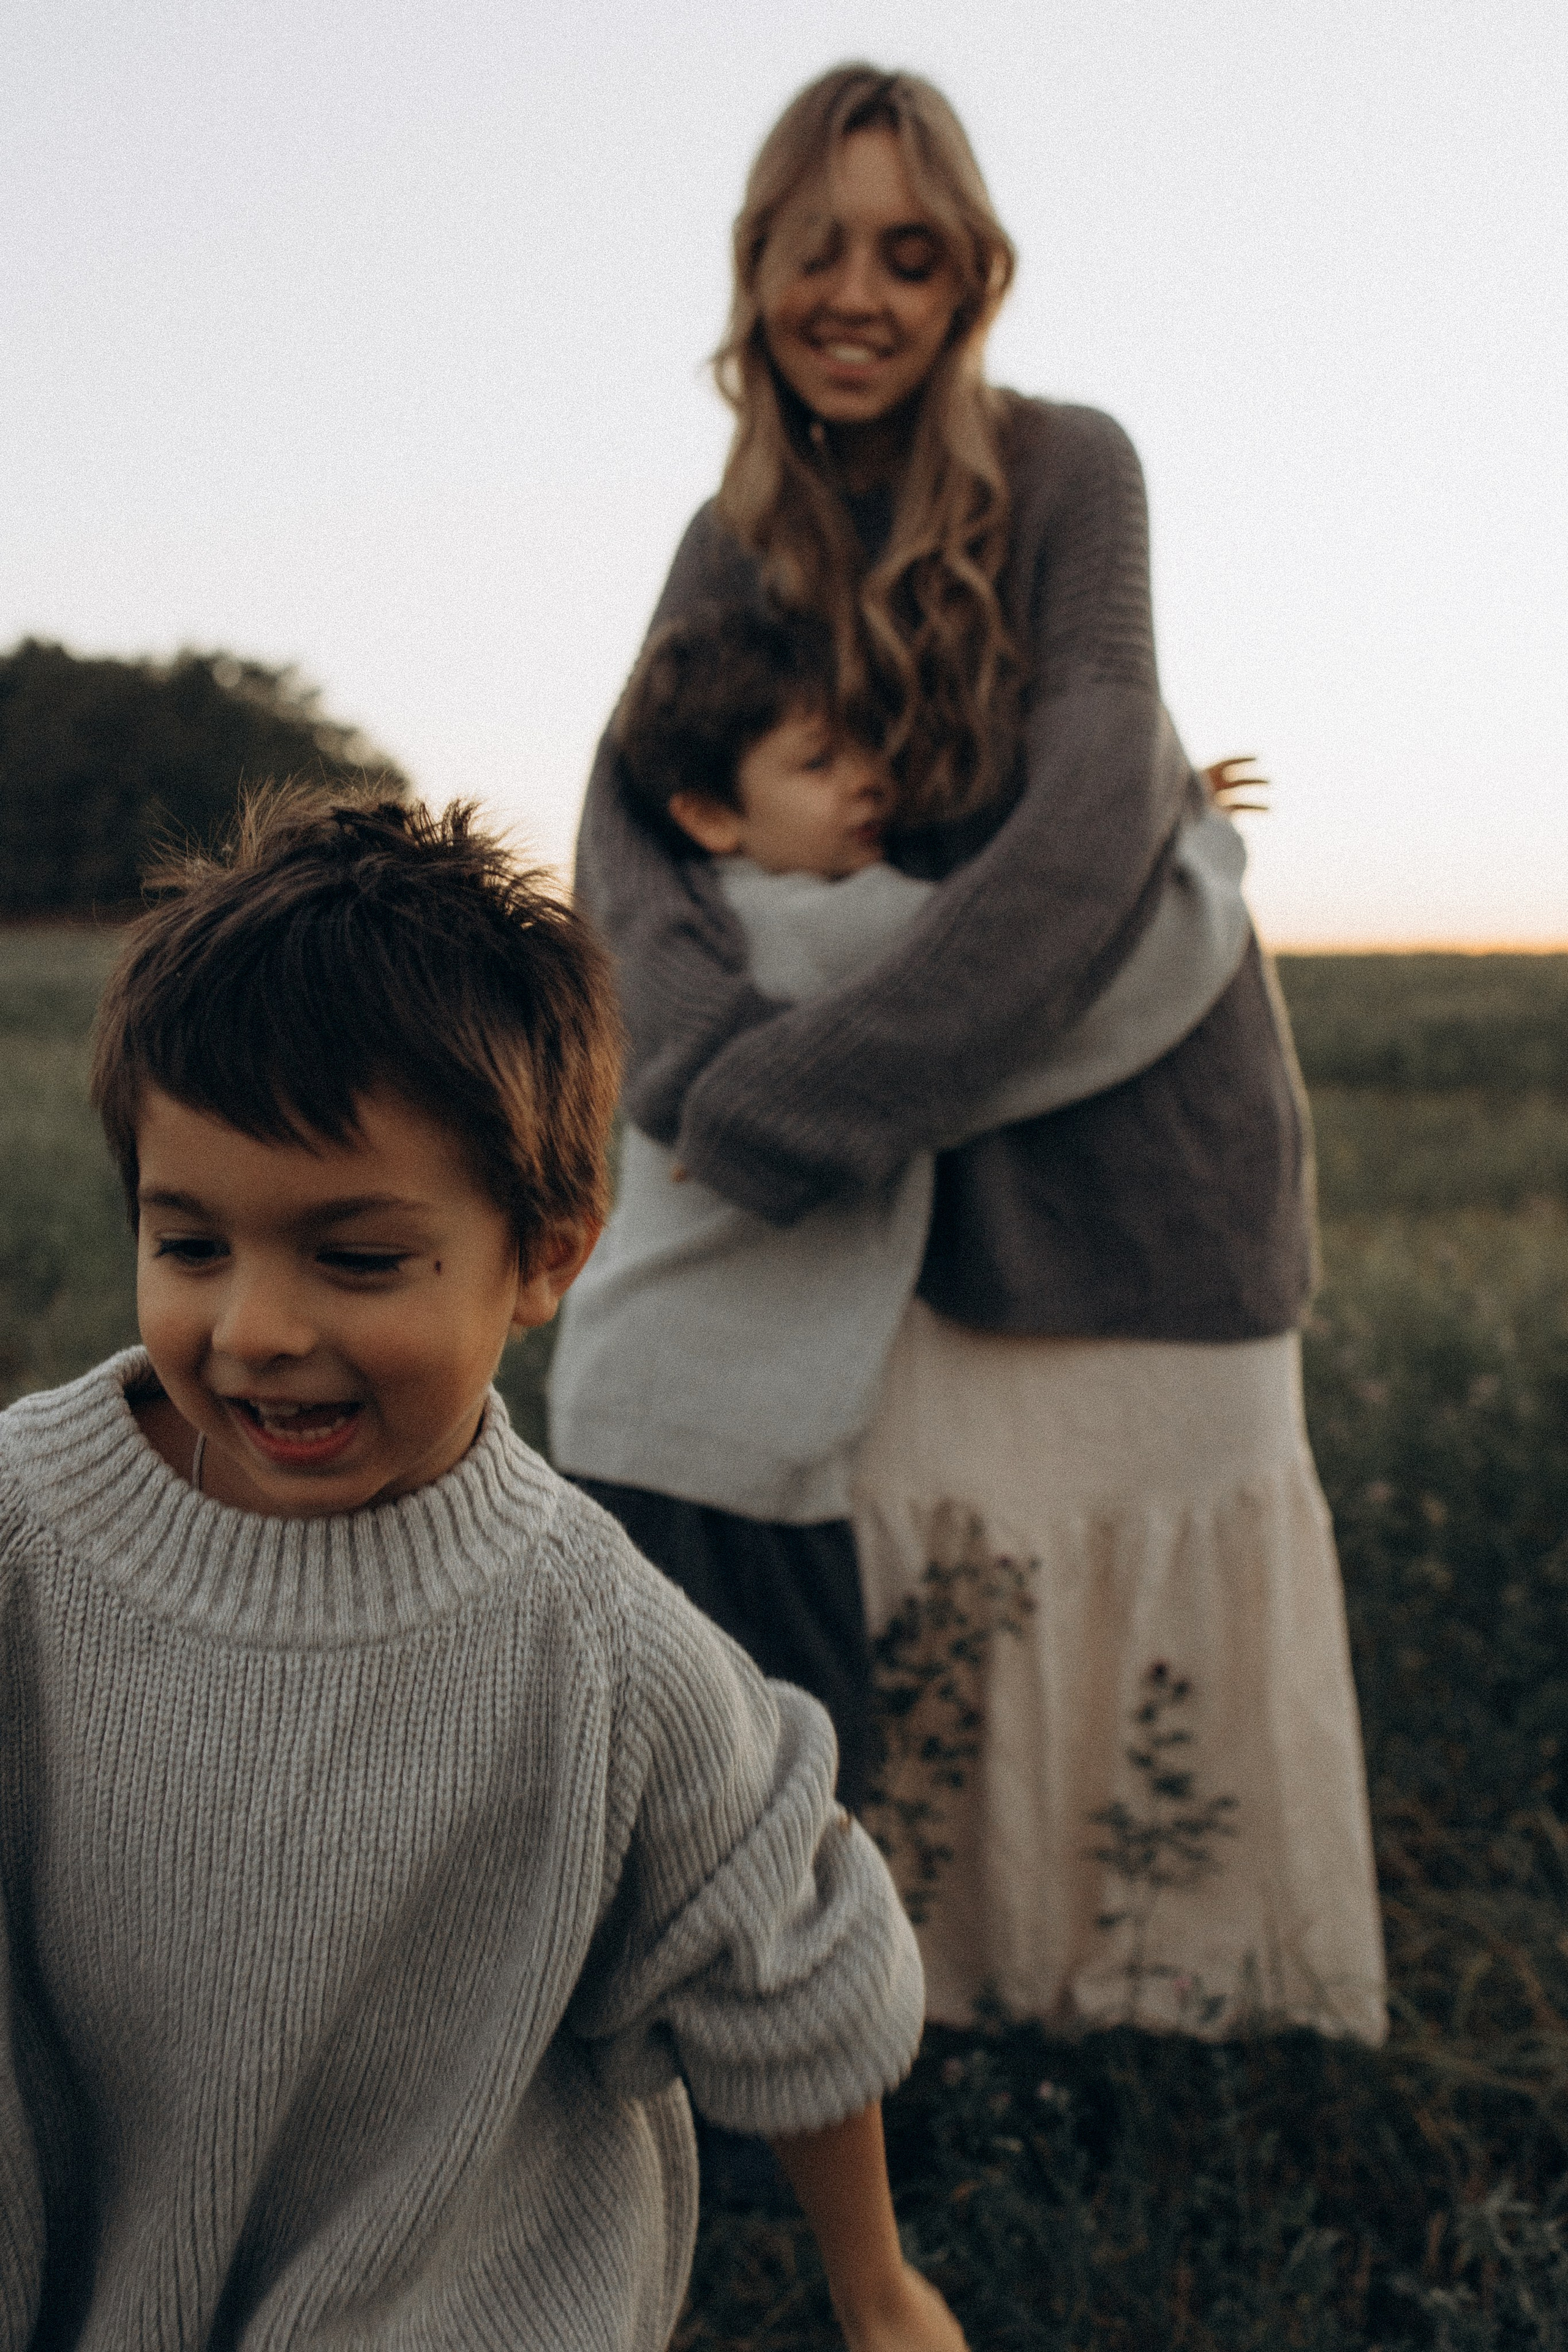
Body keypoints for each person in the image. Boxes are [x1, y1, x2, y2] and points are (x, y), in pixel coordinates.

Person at [573, 63, 1386, 2044]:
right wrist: (701, 1062)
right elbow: (622, 812)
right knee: (927, 1578)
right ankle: (918, 2012)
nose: (860, 292)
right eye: (817, 247)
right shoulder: (729, 530)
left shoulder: (1069, 469)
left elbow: (1107, 807)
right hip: (856, 1168)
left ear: (969, 281)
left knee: (1133, 1541)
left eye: (910, 253)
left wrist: (814, 1095)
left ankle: (1182, 2035)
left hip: (1111, 1090)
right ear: (758, 266)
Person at [0, 788, 968, 2352]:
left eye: (357, 1258)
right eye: (191, 1245)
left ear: (544, 1259)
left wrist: (878, 2292)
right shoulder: (23, 1537)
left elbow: (796, 1965)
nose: (254, 1328)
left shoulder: (597, 1644)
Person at [550, 602, 1253, 1814]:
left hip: (652, 1419)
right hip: (716, 1456)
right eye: (818, 762)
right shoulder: (823, 935)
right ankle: (798, 2007)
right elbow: (1126, 969)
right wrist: (1186, 833)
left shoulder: (718, 934)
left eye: (867, 748)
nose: (869, 781)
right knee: (786, 1798)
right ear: (709, 816)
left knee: (665, 1780)